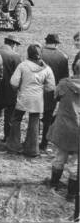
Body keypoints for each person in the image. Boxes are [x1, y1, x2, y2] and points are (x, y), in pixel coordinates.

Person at [7, 44, 55, 157]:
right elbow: (51, 86)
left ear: (28, 53)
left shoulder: (23, 65)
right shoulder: (47, 68)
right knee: (34, 121)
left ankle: (14, 146)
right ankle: (32, 149)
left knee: (16, 119)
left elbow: (13, 82)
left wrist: (18, 88)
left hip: (23, 96)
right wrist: (41, 90)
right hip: (37, 99)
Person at [47, 61, 80, 201]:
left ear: (74, 68)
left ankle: (53, 184)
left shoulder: (63, 83)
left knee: (59, 157)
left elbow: (56, 97)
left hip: (63, 126)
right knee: (76, 163)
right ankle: (71, 194)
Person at [41, 33, 69, 151]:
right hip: (53, 91)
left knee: (35, 115)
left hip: (38, 90)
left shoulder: (39, 53)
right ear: (57, 43)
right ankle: (44, 143)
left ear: (46, 42)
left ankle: (30, 141)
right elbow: (64, 77)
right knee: (48, 118)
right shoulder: (63, 57)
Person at [0, 34, 22, 141]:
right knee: (9, 116)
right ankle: (7, 136)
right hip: (10, 91)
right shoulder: (15, 57)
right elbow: (18, 76)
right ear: (13, 44)